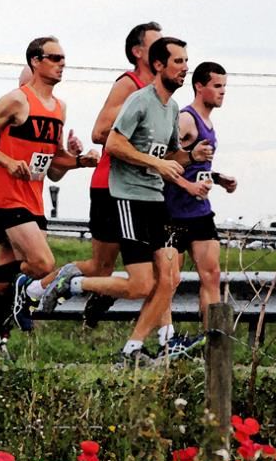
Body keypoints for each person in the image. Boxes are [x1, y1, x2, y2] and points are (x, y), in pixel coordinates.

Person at [45, 38, 210, 364]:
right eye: (178, 61)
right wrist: (156, 164)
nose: (185, 68)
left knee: (169, 280)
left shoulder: (173, 108)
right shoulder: (139, 101)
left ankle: (132, 349)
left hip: (155, 199)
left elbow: (170, 154)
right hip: (128, 199)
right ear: (160, 65)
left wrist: (191, 155)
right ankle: (72, 283)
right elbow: (115, 145)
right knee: (140, 285)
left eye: (186, 61)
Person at [0, 38, 94, 346]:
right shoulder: (17, 100)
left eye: (64, 58)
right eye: (54, 58)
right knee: (42, 264)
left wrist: (80, 161)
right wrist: (7, 162)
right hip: (6, 195)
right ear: (36, 61)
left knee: (4, 280)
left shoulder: (60, 108)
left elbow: (54, 166)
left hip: (34, 198)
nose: (61, 63)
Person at [69, 22, 164, 327]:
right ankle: (40, 287)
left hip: (140, 188)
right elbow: (99, 132)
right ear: (138, 52)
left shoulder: (159, 93)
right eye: (156, 44)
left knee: (155, 269)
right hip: (111, 185)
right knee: (102, 268)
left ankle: (160, 337)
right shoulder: (129, 84)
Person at [154, 62, 237, 353]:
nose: (222, 92)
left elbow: (195, 166)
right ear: (199, 86)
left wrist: (217, 177)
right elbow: (164, 159)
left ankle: (212, 341)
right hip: (172, 211)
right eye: (217, 86)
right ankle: (167, 341)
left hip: (199, 210)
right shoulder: (187, 120)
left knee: (211, 274)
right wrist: (190, 155)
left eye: (225, 87)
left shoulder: (210, 122)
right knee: (169, 280)